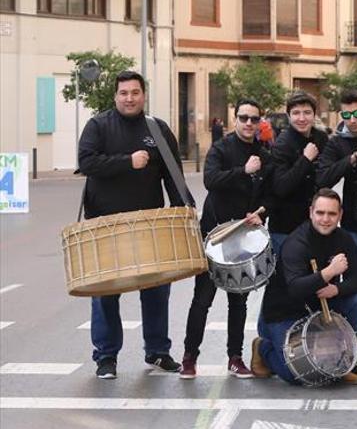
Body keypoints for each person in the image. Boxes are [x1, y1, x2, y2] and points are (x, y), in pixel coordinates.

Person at [77, 70, 186, 379]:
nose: (129, 98)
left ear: (143, 95)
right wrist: (128, 161)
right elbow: (86, 162)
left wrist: (183, 211)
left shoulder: (157, 128)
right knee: (106, 294)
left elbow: (173, 175)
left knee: (155, 290)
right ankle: (106, 357)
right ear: (115, 96)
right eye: (124, 93)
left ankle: (158, 352)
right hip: (105, 225)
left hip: (149, 223)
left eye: (135, 92)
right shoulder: (98, 126)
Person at [180, 99, 272, 379]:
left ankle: (235, 357)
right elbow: (210, 180)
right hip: (214, 235)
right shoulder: (221, 148)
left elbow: (270, 192)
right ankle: (189, 357)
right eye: (243, 117)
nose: (248, 123)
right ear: (235, 120)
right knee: (202, 300)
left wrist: (262, 214)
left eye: (254, 119)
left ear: (259, 122)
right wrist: (243, 171)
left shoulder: (264, 153)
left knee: (238, 301)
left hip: (243, 240)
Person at [252, 188, 357, 385]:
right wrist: (328, 273)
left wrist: (337, 289)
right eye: (320, 213)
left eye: (332, 214)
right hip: (286, 312)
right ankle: (263, 348)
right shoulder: (296, 243)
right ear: (311, 212)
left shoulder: (344, 239)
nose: (325, 219)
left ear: (340, 215)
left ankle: (345, 361)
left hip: (321, 306)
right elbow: (295, 288)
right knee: (297, 374)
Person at [316, 89, 357, 281]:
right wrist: (353, 158)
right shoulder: (337, 143)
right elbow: (322, 179)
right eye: (347, 115)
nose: (353, 120)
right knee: (355, 279)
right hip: (355, 222)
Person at [269, 91, 329, 257]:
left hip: (316, 224)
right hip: (285, 227)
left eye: (307, 113)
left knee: (313, 277)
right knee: (283, 279)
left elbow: (327, 175)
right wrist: (305, 159)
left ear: (314, 115)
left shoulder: (321, 138)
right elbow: (281, 187)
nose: (302, 118)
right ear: (289, 116)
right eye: (296, 113)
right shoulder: (282, 143)